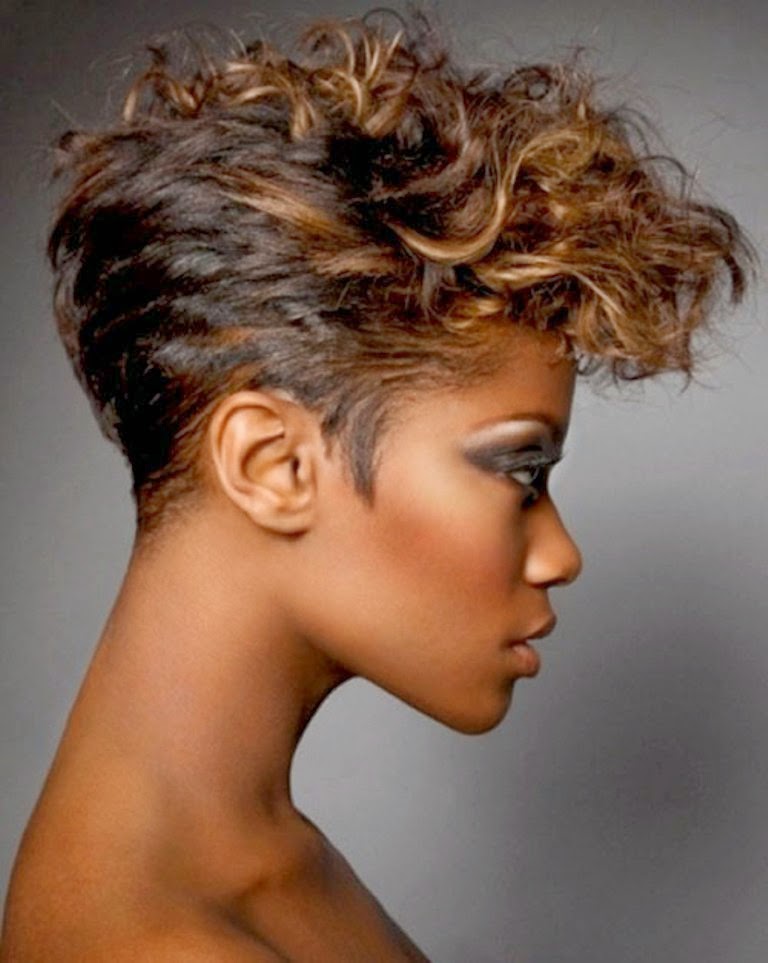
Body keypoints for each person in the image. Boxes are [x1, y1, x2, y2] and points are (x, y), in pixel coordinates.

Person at [0, 9, 752, 961]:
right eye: (520, 472)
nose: (561, 554)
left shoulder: (265, 858)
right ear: (273, 465)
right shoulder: (155, 941)